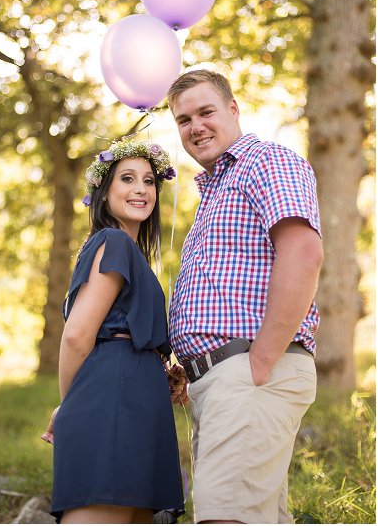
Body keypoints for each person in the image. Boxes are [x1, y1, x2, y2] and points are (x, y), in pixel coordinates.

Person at [167, 69, 323, 524]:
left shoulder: (265, 162)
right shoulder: (214, 192)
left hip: (252, 374)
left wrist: (259, 362)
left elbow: (303, 252)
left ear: (233, 110)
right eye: (183, 120)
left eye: (205, 112)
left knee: (225, 517)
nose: (195, 126)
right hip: (223, 382)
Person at [42, 140, 185, 524]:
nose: (141, 189)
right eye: (127, 179)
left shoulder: (131, 252)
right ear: (103, 194)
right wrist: (68, 405)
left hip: (140, 401)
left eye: (149, 181)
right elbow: (76, 336)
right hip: (113, 400)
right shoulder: (115, 241)